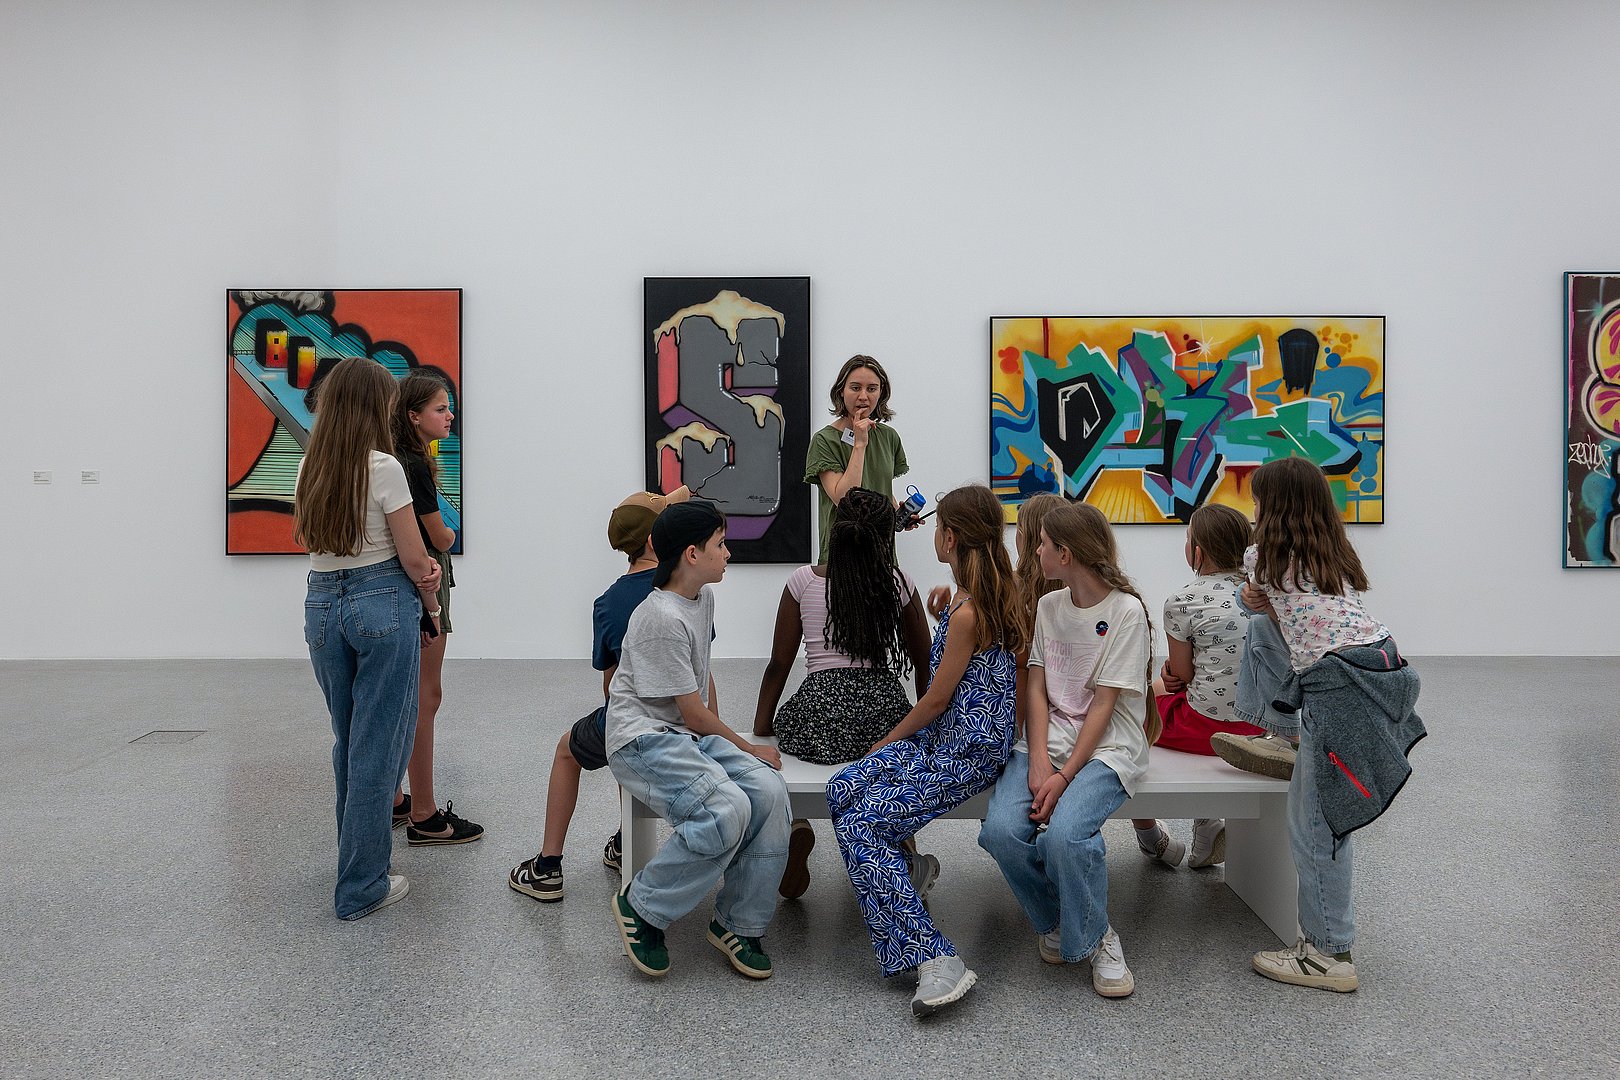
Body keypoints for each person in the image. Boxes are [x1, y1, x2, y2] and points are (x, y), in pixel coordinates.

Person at [827, 484, 1028, 1018]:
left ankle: (937, 958)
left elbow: (937, 697)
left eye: (939, 527)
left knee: (864, 826)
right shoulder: (975, 595)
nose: (933, 535)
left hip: (966, 751)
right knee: (841, 788)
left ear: (952, 536)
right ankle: (905, 877)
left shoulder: (969, 610)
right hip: (943, 740)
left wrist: (886, 739)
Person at [1235, 456, 1424, 993]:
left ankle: (1326, 953)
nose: (1253, 509)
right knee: (1258, 629)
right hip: (1381, 665)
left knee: (1318, 826)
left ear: (1273, 507)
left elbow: (1254, 597)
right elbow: (1286, 619)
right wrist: (1262, 604)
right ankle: (1286, 734)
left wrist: (1253, 596)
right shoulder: (1332, 558)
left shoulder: (1260, 557)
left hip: (1340, 688)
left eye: (1259, 501)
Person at [606, 501, 791, 980]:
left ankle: (738, 924)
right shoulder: (658, 618)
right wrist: (745, 746)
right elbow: (691, 711)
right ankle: (642, 906)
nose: (728, 553)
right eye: (720, 544)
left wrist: (728, 749)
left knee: (769, 792)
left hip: (686, 733)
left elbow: (697, 692)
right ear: (692, 553)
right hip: (642, 739)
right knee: (726, 810)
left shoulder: (701, 597)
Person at [977, 502, 1153, 998]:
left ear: (1067, 553)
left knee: (1066, 837)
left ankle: (1098, 937)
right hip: (1044, 744)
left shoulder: (1125, 611)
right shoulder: (1049, 606)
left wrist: (1063, 775)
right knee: (1002, 834)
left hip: (1105, 750)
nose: (1036, 550)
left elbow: (1102, 704)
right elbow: (1035, 685)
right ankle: (1064, 918)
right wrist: (1036, 759)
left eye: (1044, 544)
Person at [294, 357, 441, 920]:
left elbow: (316, 540)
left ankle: (355, 863)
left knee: (349, 740)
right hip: (381, 601)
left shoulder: (312, 464)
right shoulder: (384, 466)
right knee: (381, 743)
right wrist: (429, 601)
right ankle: (361, 886)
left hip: (322, 604)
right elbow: (412, 556)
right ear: (375, 405)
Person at [508, 486, 690, 902]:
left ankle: (548, 867)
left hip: (636, 718)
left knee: (567, 752)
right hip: (685, 715)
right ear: (655, 540)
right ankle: (625, 840)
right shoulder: (684, 587)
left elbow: (613, 687)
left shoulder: (608, 603)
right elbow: (701, 669)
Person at [751, 487, 933, 900]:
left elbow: (779, 662)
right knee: (887, 769)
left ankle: (796, 828)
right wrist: (924, 722)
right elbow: (925, 663)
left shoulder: (802, 581)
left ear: (836, 531)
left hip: (820, 712)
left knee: (793, 760)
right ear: (885, 537)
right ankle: (902, 847)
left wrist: (763, 727)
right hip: (881, 713)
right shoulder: (898, 582)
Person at [1129, 502, 1269, 870]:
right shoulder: (1263, 596)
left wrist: (1164, 679)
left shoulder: (1182, 602)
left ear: (1197, 551)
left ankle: (1172, 829)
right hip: (1261, 726)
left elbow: (1182, 676)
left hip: (1207, 727)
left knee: (1132, 713)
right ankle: (1206, 824)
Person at [389, 370, 482, 846]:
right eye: (441, 409)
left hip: (387, 583)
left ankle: (395, 799)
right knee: (426, 695)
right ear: (414, 415)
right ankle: (424, 813)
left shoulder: (387, 458)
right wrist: (446, 536)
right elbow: (439, 535)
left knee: (395, 694)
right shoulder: (413, 463)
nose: (449, 417)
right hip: (425, 576)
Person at [804, 355, 911, 564]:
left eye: (872, 389)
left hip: (881, 555)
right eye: (855, 388)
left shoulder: (889, 437)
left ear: (881, 393)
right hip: (842, 558)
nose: (863, 396)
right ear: (841, 391)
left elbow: (881, 490)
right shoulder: (824, 440)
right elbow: (843, 499)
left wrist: (899, 514)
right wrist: (859, 444)